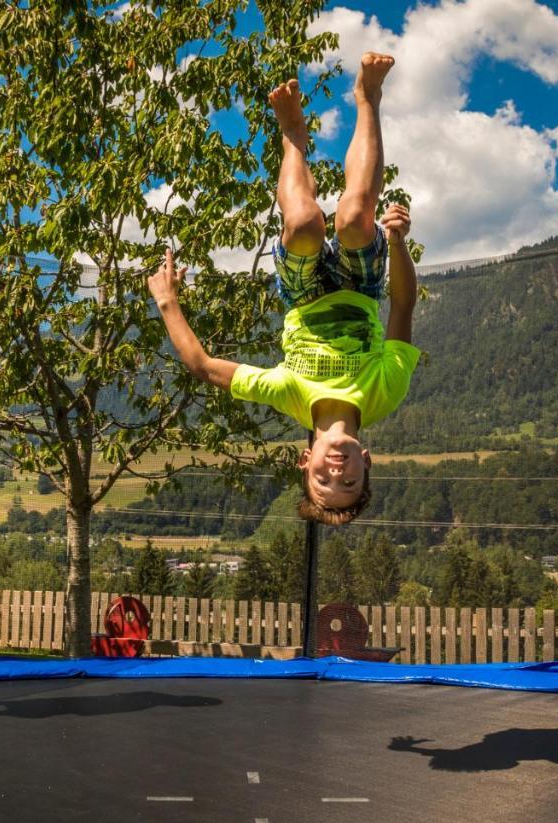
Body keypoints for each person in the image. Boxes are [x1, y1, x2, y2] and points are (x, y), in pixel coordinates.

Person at [148, 53, 420, 525]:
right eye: (350, 481)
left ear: (304, 461)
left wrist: (168, 301)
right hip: (363, 286)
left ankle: (293, 135)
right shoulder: (385, 392)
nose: (337, 473)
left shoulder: (288, 392)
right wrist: (396, 243)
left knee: (303, 225)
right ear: (367, 460)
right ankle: (368, 99)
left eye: (323, 481)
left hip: (304, 294)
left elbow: (204, 367)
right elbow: (402, 304)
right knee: (355, 220)